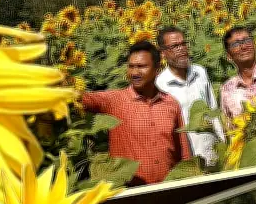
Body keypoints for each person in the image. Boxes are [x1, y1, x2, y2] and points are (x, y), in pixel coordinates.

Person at [80, 41, 192, 186]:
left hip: (167, 189)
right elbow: (83, 100)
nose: (134, 73)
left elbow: (183, 151)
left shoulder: (171, 104)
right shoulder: (115, 101)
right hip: (131, 191)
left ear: (157, 69)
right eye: (131, 66)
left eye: (141, 67)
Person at [156, 26, 225, 167]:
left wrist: (223, 142)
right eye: (175, 46)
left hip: (213, 152)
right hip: (187, 161)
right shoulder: (160, 85)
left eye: (183, 44)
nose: (181, 49)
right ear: (163, 53)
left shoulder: (200, 72)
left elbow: (213, 109)